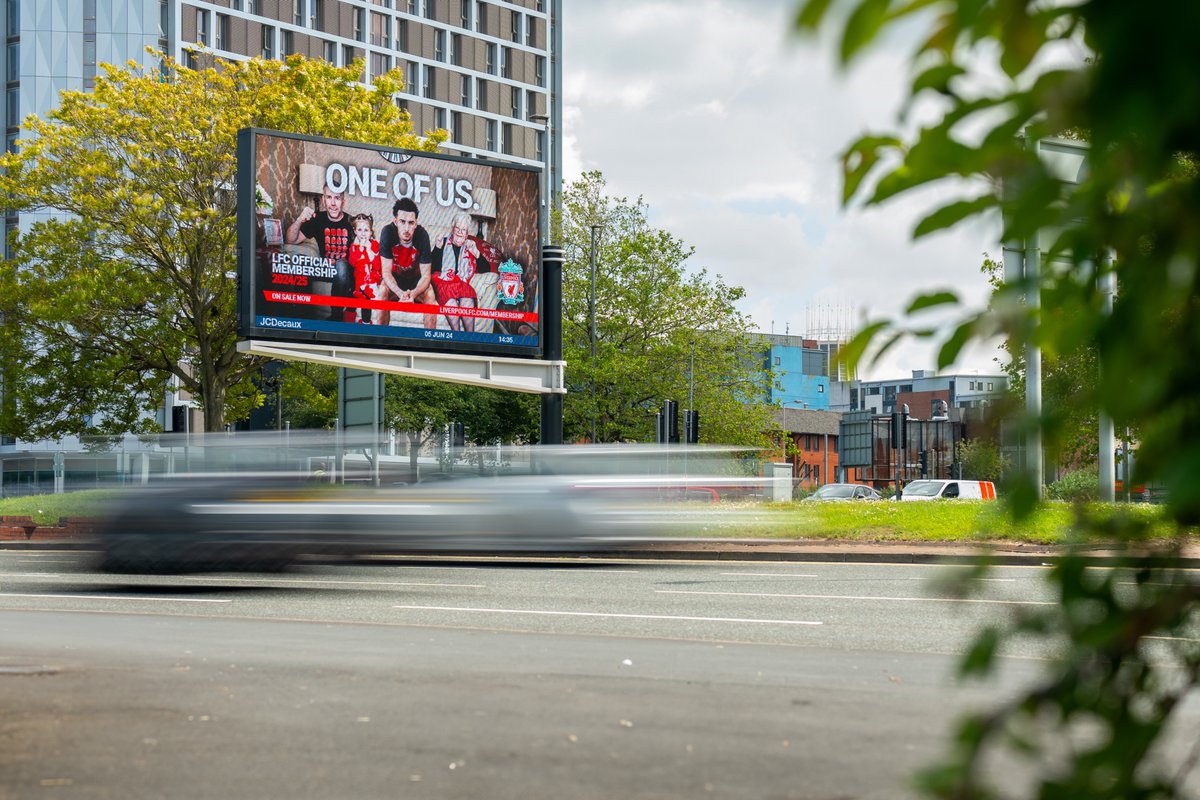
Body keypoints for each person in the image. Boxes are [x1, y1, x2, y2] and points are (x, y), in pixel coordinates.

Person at [285, 185, 356, 318]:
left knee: (341, 265)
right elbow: (290, 240)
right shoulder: (318, 219)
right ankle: (302, 316)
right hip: (325, 268)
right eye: (329, 198)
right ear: (323, 200)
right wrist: (300, 219)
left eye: (337, 198)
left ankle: (336, 316)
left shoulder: (351, 222)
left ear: (343, 201)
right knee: (300, 262)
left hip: (345, 272)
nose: (333, 203)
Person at [378, 197, 437, 329]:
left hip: (416, 281)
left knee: (430, 294)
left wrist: (413, 294)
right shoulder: (387, 232)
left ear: (415, 223)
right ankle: (380, 338)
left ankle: (430, 342)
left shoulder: (422, 235)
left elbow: (426, 276)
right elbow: (386, 272)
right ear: (395, 221)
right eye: (402, 222)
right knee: (382, 290)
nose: (406, 228)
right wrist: (400, 294)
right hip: (396, 279)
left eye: (411, 223)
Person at [429, 212, 483, 333]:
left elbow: (485, 268)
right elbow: (432, 268)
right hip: (443, 281)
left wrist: (475, 252)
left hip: (460, 283)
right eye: (457, 228)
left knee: (467, 294)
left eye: (463, 230)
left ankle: (471, 338)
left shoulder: (470, 246)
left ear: (467, 233)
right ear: (452, 229)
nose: (459, 232)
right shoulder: (443, 242)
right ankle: (457, 337)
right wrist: (437, 248)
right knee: (449, 296)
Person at [348, 213, 383, 324]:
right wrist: (360, 249)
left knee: (371, 296)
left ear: (371, 232)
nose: (363, 234)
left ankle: (367, 322)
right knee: (354, 296)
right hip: (360, 281)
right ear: (355, 231)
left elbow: (378, 266)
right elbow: (352, 263)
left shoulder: (375, 245)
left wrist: (369, 251)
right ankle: (347, 324)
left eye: (366, 230)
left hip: (374, 280)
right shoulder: (354, 246)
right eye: (360, 230)